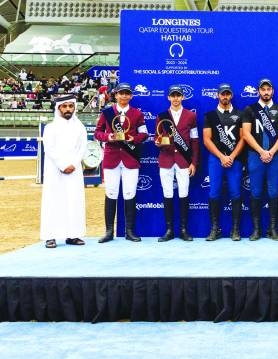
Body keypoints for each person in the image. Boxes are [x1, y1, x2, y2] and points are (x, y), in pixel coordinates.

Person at [94, 83, 148, 243]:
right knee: (111, 193)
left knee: (130, 193)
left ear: (131, 96)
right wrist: (108, 137)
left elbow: (144, 134)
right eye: (121, 93)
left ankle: (129, 231)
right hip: (111, 158)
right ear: (115, 95)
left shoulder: (137, 114)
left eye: (127, 94)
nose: (124, 96)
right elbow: (97, 132)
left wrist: (134, 139)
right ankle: (109, 231)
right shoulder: (107, 113)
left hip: (130, 158)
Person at [242, 78, 278, 241]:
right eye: (263, 89)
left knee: (274, 192)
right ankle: (256, 230)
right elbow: (246, 134)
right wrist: (262, 151)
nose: (266, 92)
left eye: (269, 89)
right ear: (258, 91)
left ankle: (273, 229)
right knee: (255, 192)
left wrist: (272, 151)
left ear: (272, 91)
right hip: (255, 155)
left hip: (274, 157)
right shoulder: (250, 109)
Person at [39, 95, 87, 248]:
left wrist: (73, 164)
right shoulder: (50, 127)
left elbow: (82, 147)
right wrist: (62, 165)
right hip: (55, 170)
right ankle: (50, 236)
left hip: (74, 169)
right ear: (58, 108)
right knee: (53, 201)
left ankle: (73, 235)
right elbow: (49, 149)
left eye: (70, 106)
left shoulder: (80, 127)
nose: (68, 109)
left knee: (75, 201)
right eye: (64, 106)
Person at [154, 85, 200, 242]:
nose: (175, 98)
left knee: (183, 193)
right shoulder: (161, 116)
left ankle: (183, 229)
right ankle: (169, 230)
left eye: (178, 95)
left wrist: (193, 162)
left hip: (183, 161)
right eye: (173, 95)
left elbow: (194, 141)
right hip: (166, 160)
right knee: (167, 193)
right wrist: (158, 142)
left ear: (182, 97)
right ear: (168, 97)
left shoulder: (191, 116)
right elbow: (157, 137)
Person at [202, 83, 245, 241]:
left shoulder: (240, 114)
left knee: (235, 192)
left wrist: (232, 156)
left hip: (235, 159)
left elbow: (243, 138)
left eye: (227, 94)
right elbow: (207, 140)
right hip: (216, 159)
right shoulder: (210, 115)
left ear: (231, 95)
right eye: (222, 94)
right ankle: (215, 229)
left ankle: (235, 230)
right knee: (214, 193)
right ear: (218, 95)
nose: (225, 96)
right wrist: (221, 156)